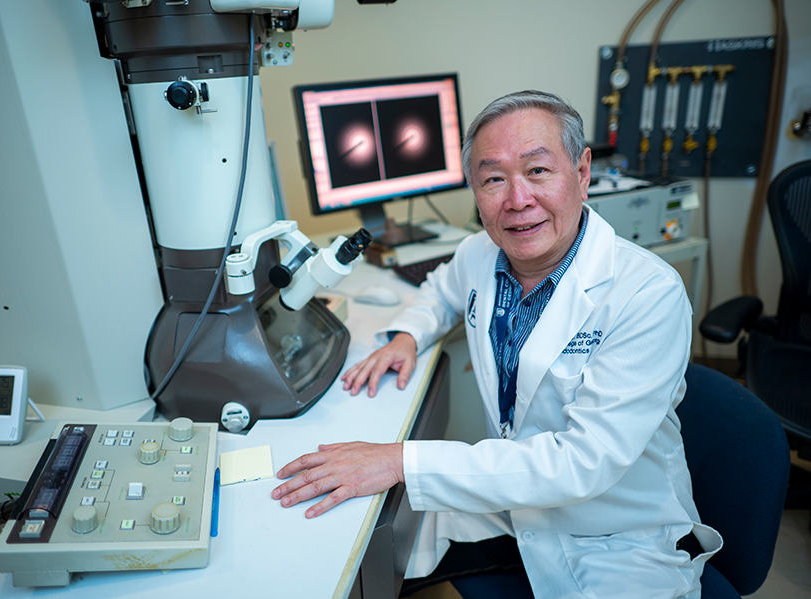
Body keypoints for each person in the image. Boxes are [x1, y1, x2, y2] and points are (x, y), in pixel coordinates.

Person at [271, 90, 721, 598]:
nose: (517, 200)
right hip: (512, 506)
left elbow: (582, 463)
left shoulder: (646, 293)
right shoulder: (481, 253)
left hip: (618, 537)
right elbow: (440, 291)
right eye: (492, 179)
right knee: (358, 554)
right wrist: (406, 335)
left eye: (538, 171)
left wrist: (400, 459)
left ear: (582, 171)